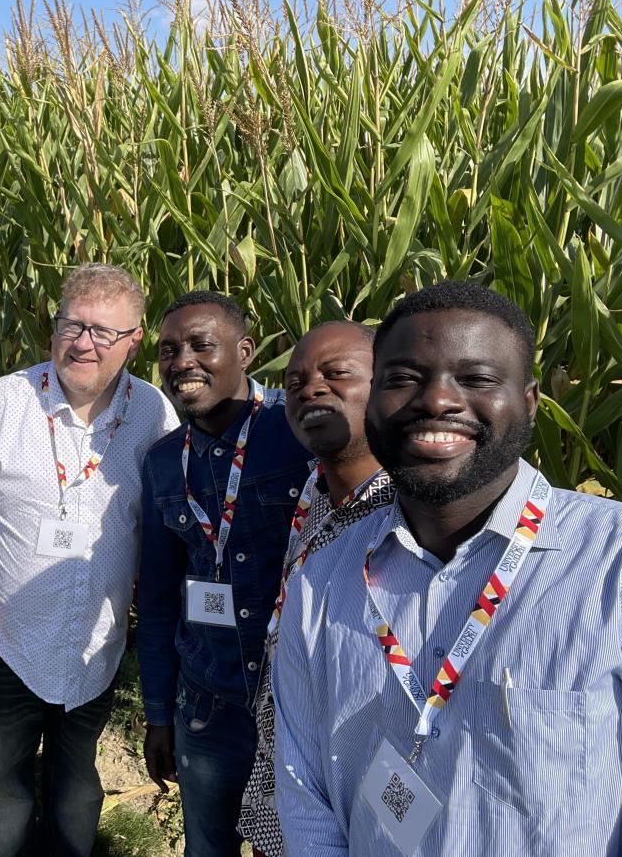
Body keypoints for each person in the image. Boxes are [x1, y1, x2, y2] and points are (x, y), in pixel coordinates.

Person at [273, 280, 622, 856]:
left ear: (528, 404)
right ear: (373, 400)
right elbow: (305, 792)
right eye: (403, 379)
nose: (437, 401)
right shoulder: (322, 581)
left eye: (475, 379)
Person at [0, 264, 177, 857]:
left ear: (135, 340)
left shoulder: (153, 414)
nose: (84, 343)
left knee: (75, 781)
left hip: (97, 644)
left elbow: (161, 526)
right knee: (1, 775)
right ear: (55, 324)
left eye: (104, 333)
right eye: (74, 324)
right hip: (9, 640)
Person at [137, 291, 311, 856]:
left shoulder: (298, 432)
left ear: (245, 351)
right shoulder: (165, 460)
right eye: (168, 350)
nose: (181, 360)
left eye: (201, 345)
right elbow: (160, 599)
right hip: (208, 703)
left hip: (296, 707)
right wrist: (159, 716)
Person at [236, 321, 395, 853]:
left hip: (367, 774)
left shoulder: (412, 512)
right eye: (296, 379)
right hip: (288, 754)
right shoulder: (315, 487)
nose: (312, 388)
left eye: (337, 373)